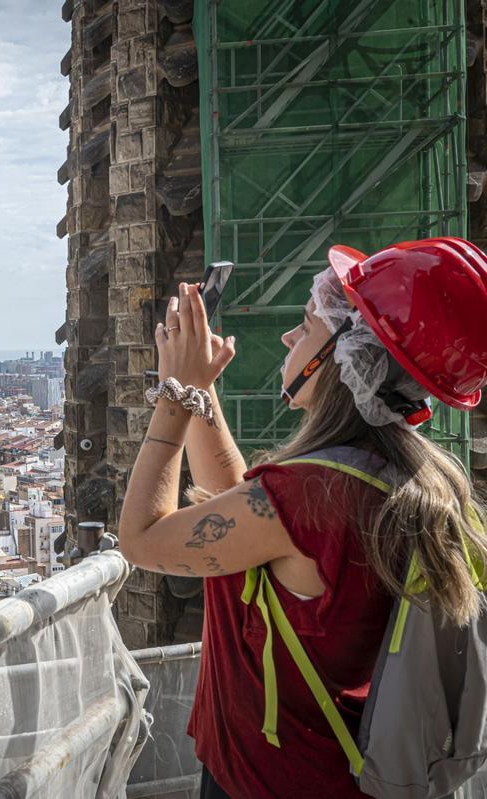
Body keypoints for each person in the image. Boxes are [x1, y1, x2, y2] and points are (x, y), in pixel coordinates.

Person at [115, 238, 487, 799]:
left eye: (309, 323)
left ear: (346, 355)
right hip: (334, 772)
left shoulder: (314, 493)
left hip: (272, 779)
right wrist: (202, 395)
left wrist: (176, 393)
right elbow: (236, 507)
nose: (291, 336)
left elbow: (142, 542)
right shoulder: (409, 477)